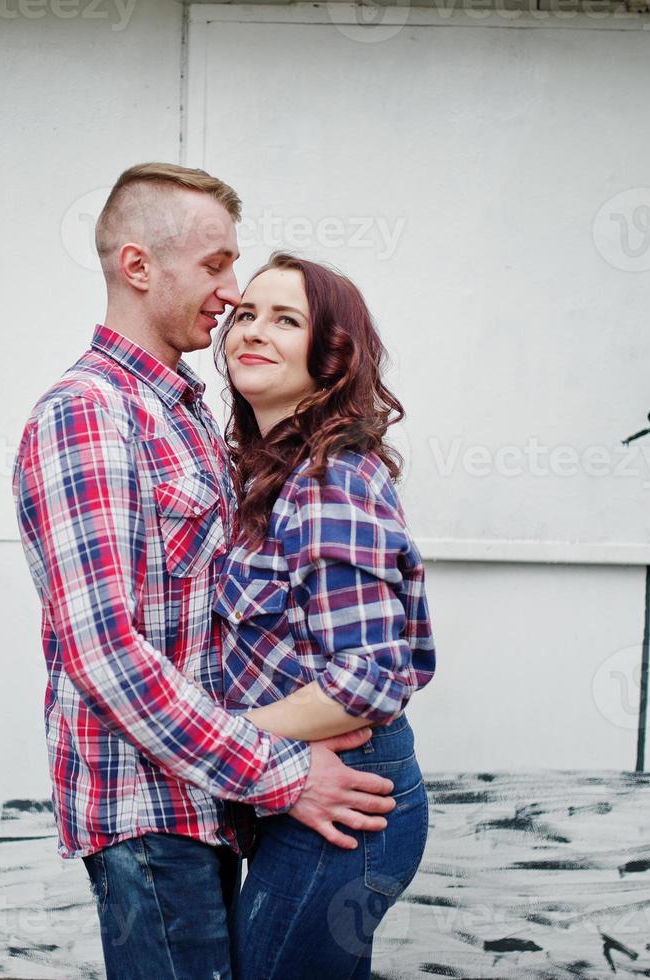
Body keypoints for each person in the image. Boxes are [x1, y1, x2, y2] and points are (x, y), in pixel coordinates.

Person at [11, 165, 398, 980]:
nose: (230, 291)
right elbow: (104, 654)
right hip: (148, 811)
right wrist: (281, 772)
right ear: (138, 266)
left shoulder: (186, 413)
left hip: (211, 798)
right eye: (216, 265)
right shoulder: (88, 414)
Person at [214, 252, 437, 980]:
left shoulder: (326, 476)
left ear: (331, 354)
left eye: (286, 319)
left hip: (349, 800)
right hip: (304, 788)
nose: (252, 331)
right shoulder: (266, 472)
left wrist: (218, 744)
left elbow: (368, 679)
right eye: (245, 314)